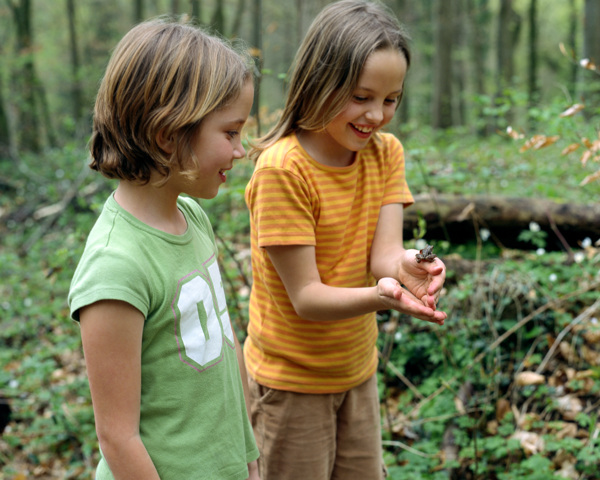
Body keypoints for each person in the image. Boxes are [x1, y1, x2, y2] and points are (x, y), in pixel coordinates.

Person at [243, 1, 447, 479]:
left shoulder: (385, 154)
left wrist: (410, 270)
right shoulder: (283, 170)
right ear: (320, 80)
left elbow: (386, 257)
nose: (376, 115)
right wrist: (385, 299)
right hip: (289, 385)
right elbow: (307, 299)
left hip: (357, 372)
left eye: (391, 99)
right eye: (360, 96)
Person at [68, 19, 260, 480]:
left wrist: (250, 459)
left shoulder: (191, 215)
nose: (241, 150)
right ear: (167, 135)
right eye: (230, 134)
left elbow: (223, 346)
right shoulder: (116, 267)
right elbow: (118, 437)